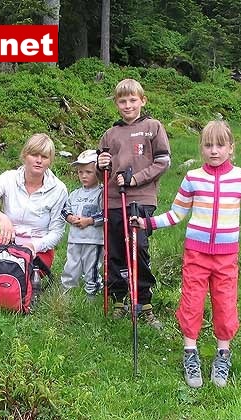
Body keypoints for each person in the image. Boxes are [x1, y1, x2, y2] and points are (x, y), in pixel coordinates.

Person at [133, 120, 241, 388]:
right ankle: (190, 352)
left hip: (226, 257)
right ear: (201, 148)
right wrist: (147, 223)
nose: (214, 150)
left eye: (220, 145)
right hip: (196, 255)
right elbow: (176, 214)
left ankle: (223, 354)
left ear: (231, 147)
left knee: (225, 303)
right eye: (208, 145)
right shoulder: (193, 178)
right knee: (191, 302)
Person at [97, 78, 171, 329]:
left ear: (143, 101)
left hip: (141, 198)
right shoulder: (110, 134)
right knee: (115, 249)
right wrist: (101, 164)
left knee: (138, 246)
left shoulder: (153, 127)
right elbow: (100, 172)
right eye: (122, 101)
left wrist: (135, 179)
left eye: (132, 100)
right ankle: (119, 298)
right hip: (112, 199)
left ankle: (144, 301)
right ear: (116, 104)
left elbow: (163, 162)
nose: (127, 105)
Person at [0, 133, 68, 297]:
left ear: (50, 161)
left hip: (37, 253)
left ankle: (21, 287)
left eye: (44, 157)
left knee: (18, 278)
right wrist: (0, 217)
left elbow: (57, 233)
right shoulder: (8, 178)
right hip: (6, 244)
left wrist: (34, 246)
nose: (39, 160)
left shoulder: (59, 190)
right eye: (34, 155)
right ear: (25, 155)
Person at [60, 149, 104, 298]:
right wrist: (70, 217)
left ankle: (92, 297)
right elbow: (65, 209)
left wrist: (89, 221)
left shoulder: (102, 193)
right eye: (80, 172)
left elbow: (106, 214)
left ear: (98, 172)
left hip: (94, 241)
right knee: (71, 267)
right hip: (74, 240)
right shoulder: (75, 194)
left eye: (88, 172)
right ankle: (66, 294)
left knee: (91, 269)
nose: (84, 176)